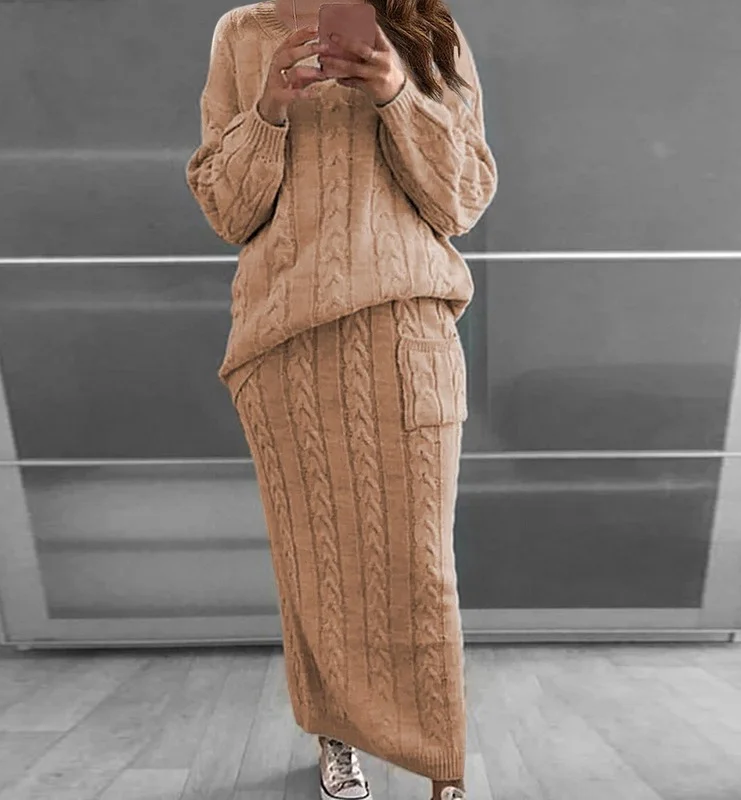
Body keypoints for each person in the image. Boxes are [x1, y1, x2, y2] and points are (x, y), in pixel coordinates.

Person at [185, 1, 497, 798]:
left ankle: (442, 768)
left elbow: (462, 199)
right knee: (314, 564)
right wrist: (267, 112)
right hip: (282, 342)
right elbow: (227, 210)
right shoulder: (242, 33)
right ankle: (339, 739)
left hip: (405, 329)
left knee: (420, 568)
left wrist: (396, 91)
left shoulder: (426, 25)